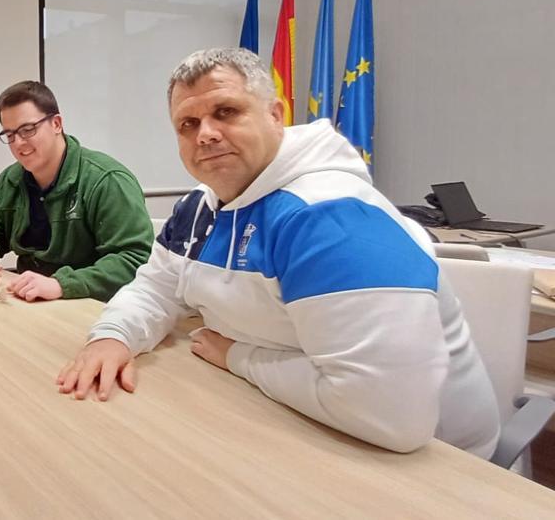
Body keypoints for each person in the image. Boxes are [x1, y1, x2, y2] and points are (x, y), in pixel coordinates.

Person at [57, 47, 499, 458]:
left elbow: (390, 415)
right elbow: (154, 289)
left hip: (433, 466)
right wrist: (113, 336)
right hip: (292, 418)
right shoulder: (199, 205)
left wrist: (236, 356)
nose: (205, 134)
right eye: (187, 124)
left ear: (275, 115)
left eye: (225, 112)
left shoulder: (332, 217)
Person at [0, 81, 153, 302]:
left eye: (28, 129)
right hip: (30, 302)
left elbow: (135, 259)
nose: (19, 143)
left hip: (93, 306)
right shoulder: (10, 180)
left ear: (56, 124)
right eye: (10, 135)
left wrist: (61, 284)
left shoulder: (106, 180)